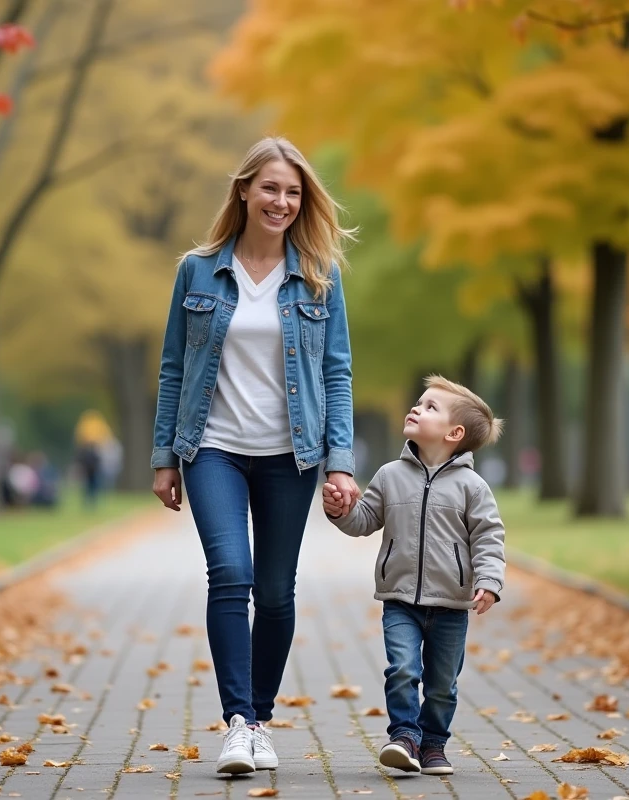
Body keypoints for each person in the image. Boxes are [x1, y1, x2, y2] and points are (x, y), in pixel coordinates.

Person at [150, 136, 358, 775]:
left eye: (293, 192)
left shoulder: (319, 275)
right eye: (270, 188)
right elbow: (173, 368)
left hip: (290, 455)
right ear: (243, 189)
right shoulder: (199, 268)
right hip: (212, 448)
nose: (282, 201)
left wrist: (340, 460)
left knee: (273, 592)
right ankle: (238, 723)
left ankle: (261, 719)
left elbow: (337, 372)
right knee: (230, 573)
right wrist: (164, 455)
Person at [323, 375, 506, 777]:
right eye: (419, 402)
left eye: (430, 407)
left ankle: (434, 744)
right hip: (400, 599)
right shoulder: (390, 475)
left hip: (451, 605)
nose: (416, 408)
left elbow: (489, 537)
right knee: (402, 669)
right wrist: (340, 511)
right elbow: (365, 519)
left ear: (454, 433)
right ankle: (404, 737)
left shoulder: (472, 487)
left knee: (442, 684)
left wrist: (489, 582)